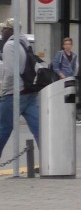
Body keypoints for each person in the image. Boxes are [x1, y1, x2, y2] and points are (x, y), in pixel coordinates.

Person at [0, 19, 41, 162]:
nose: (2, 32)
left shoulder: (10, 45)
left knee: (3, 128)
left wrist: (5, 90)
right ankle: (50, 160)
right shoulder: (25, 43)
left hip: (14, 94)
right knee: (39, 129)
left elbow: (11, 72)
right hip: (30, 93)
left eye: (4, 29)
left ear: (11, 30)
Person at [52, 37, 81, 121]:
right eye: (66, 44)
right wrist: (61, 74)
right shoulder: (60, 54)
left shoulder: (74, 56)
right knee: (62, 98)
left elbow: (74, 67)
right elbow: (55, 66)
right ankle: (63, 116)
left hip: (70, 79)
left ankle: (74, 117)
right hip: (62, 79)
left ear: (71, 45)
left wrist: (73, 75)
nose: (67, 46)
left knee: (71, 99)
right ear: (63, 45)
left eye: (69, 44)